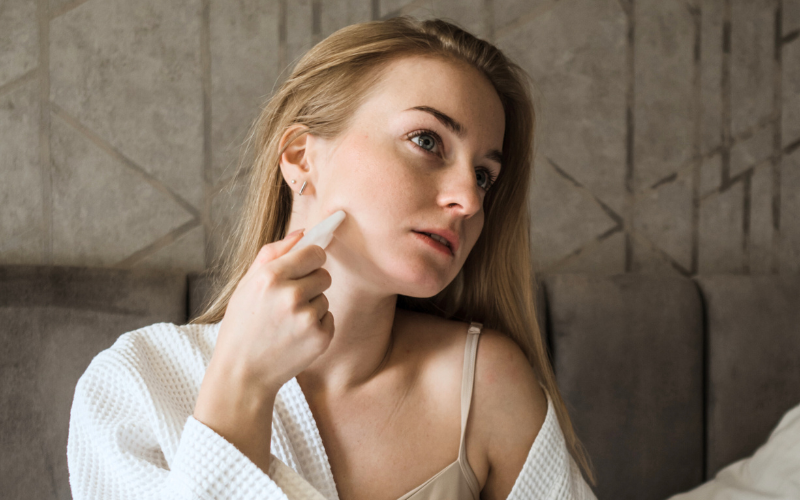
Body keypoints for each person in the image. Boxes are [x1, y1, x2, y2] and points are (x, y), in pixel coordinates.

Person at [67, 16, 597, 500]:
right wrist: (242, 385)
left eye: (484, 175)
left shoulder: (485, 385)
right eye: (426, 140)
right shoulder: (134, 385)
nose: (470, 198)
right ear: (300, 156)